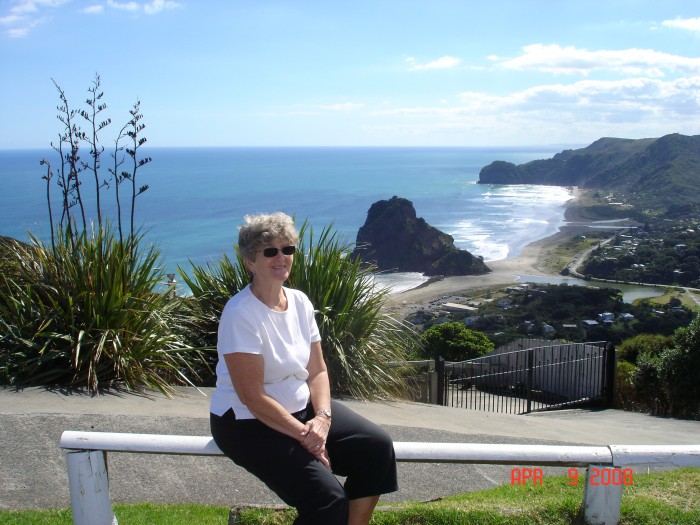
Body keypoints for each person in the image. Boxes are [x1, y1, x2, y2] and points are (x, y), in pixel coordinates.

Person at [210, 212, 398, 525]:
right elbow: (252, 396)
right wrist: (306, 436)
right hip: (247, 423)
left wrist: (322, 419)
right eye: (269, 251)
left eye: (288, 249)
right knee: (327, 501)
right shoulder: (240, 313)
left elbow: (318, 371)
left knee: (376, 449)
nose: (281, 257)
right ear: (249, 262)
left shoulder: (299, 302)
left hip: (301, 410)